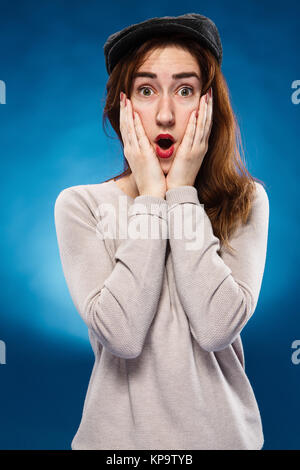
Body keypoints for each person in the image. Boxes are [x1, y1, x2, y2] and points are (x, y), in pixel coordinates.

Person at [54, 13, 269, 450]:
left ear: (208, 105)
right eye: (146, 90)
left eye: (185, 90)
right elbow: (122, 335)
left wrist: (182, 194)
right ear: (122, 104)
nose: (167, 114)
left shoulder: (246, 200)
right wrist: (152, 196)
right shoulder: (81, 205)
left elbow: (215, 328)